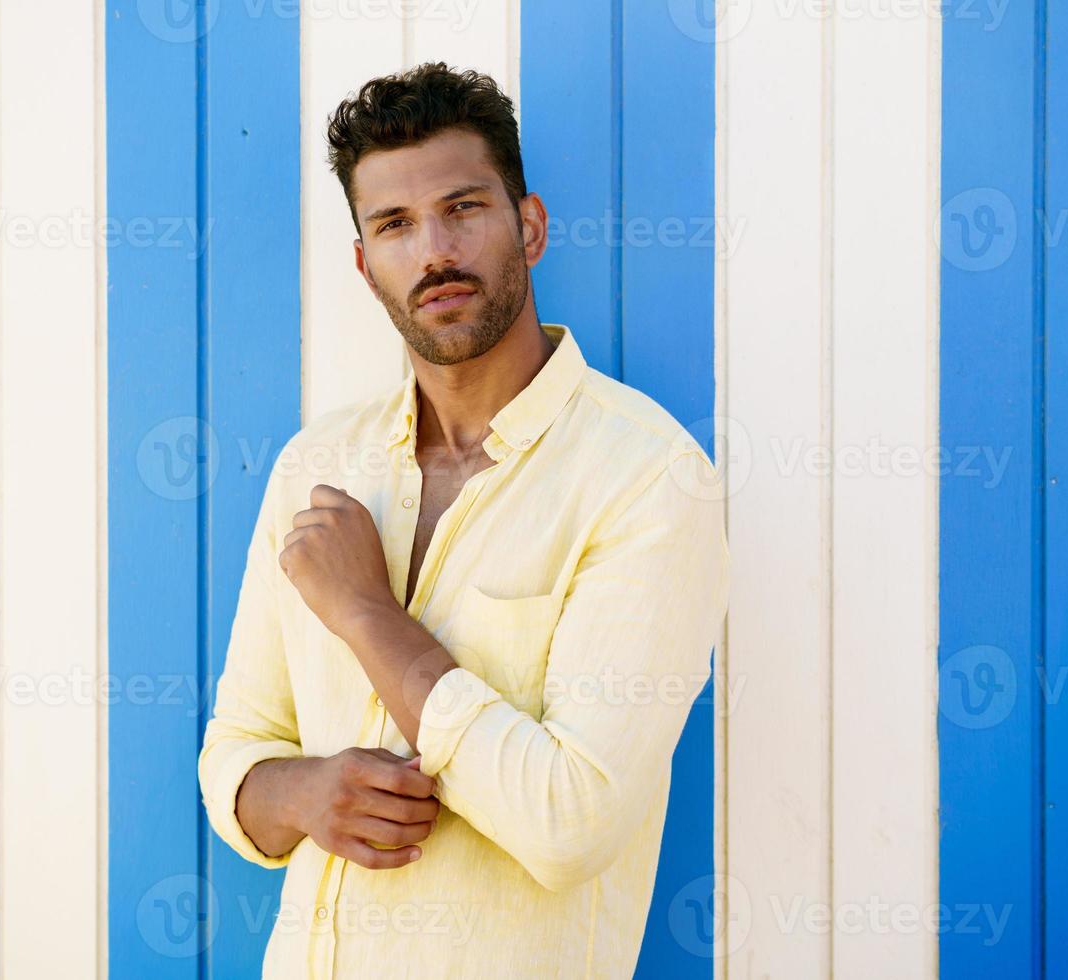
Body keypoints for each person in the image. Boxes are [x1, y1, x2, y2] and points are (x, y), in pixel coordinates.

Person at [197, 60, 731, 979]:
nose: (434, 249)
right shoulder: (316, 469)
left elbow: (570, 823)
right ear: (365, 266)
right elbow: (234, 757)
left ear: (529, 228)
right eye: (396, 225)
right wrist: (304, 794)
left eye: (464, 208)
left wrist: (368, 615)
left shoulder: (648, 480)